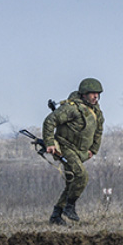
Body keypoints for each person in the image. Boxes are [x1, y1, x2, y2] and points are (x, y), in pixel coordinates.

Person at [43, 78, 105, 225]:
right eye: (92, 94)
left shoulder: (96, 112)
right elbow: (50, 121)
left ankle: (56, 215)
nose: (95, 96)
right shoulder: (71, 108)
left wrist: (93, 150)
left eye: (97, 94)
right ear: (83, 94)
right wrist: (50, 143)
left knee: (72, 183)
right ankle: (69, 207)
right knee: (81, 177)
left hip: (81, 151)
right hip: (66, 148)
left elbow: (98, 131)